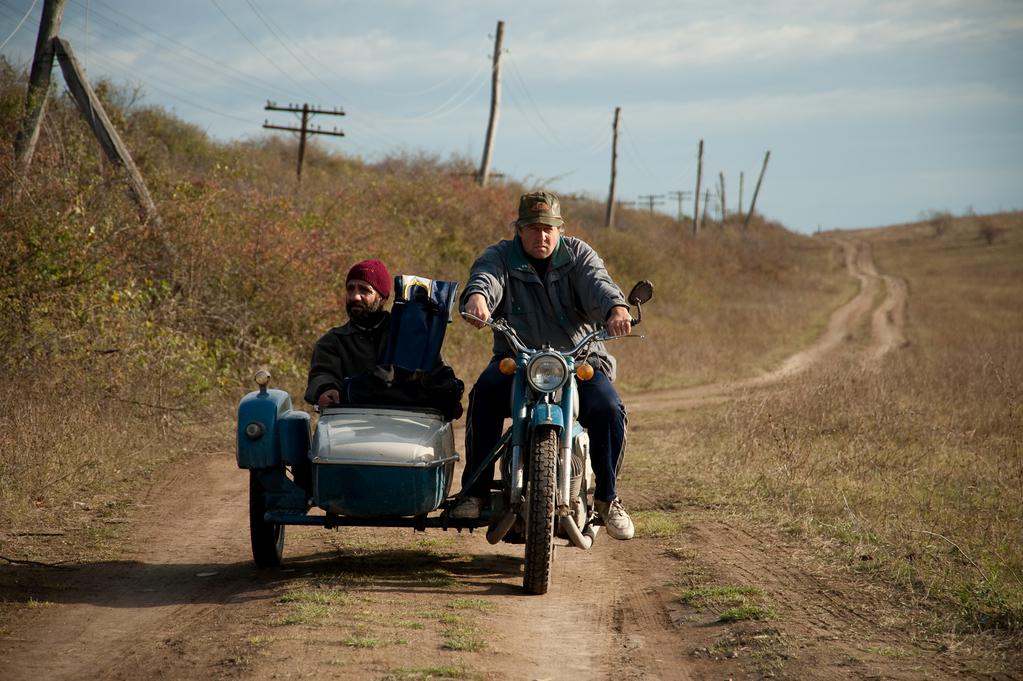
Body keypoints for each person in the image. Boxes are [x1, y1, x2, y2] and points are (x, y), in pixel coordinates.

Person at [452, 190, 635, 540]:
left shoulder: (578, 255)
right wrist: (477, 298)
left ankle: (607, 499)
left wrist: (615, 308)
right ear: (519, 229)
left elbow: (599, 283)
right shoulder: (501, 256)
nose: (542, 236)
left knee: (610, 408)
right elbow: (485, 278)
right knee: (484, 395)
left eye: (549, 228)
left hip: (577, 360)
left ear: (560, 229)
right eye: (533, 228)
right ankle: (474, 492)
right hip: (517, 360)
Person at [304, 259, 393, 409]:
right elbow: (322, 374)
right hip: (346, 424)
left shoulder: (406, 336)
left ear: (383, 298)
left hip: (404, 424)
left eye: (364, 290)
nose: (354, 297)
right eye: (350, 289)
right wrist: (325, 389)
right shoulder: (332, 342)